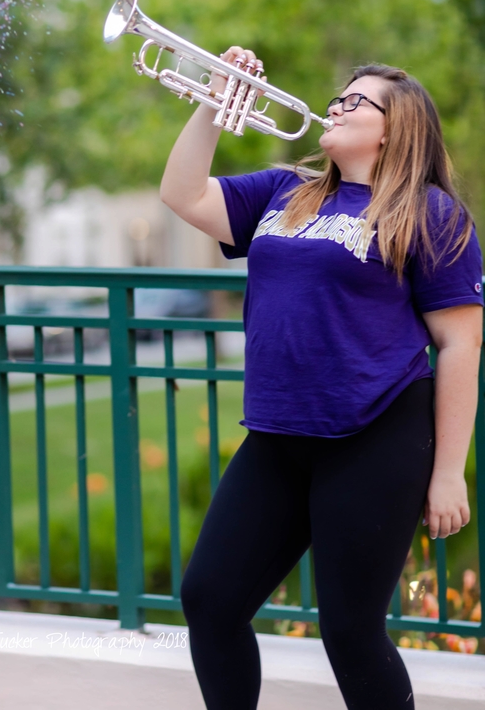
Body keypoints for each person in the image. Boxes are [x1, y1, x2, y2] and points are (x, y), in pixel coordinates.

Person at [160, 53, 483, 710]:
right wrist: (215, 98)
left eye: (354, 102)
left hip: (376, 434)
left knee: (350, 632)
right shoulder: (287, 189)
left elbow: (459, 343)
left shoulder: (431, 213)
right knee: (210, 600)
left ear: (395, 128)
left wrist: (449, 471)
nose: (334, 107)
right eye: (336, 98)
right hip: (279, 434)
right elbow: (183, 194)